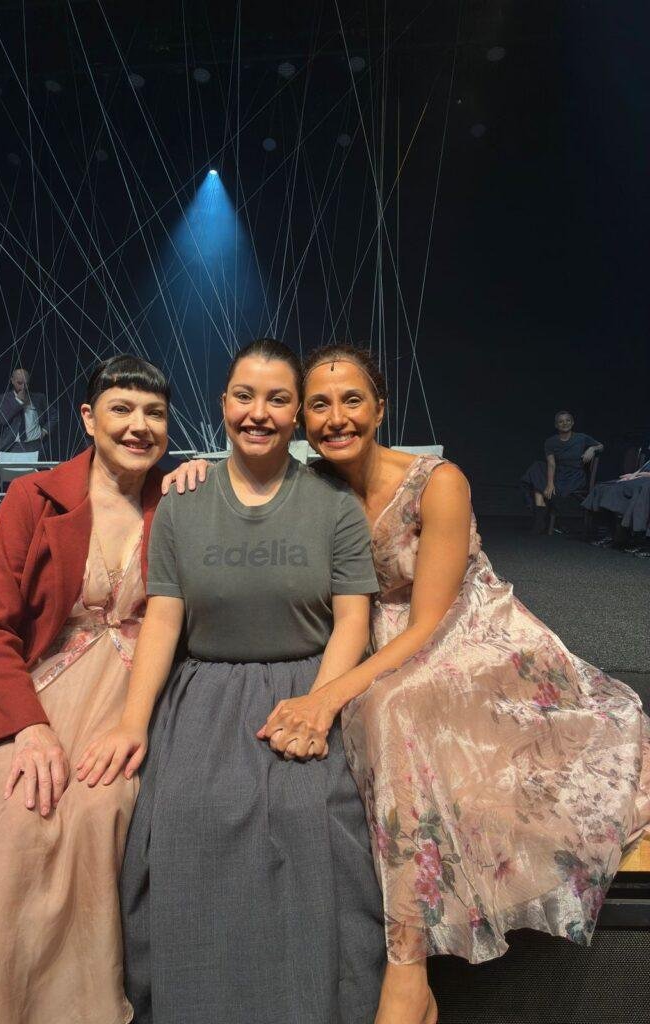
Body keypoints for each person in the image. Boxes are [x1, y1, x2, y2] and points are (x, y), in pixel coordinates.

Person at [171, 345, 650, 1024]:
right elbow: (245, 479)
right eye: (319, 405)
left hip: (464, 635)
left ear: (380, 407)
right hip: (372, 638)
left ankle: (407, 965)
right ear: (303, 418)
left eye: (352, 400)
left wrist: (329, 694)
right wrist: (193, 471)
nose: (336, 418)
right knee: (366, 717)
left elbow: (427, 620)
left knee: (389, 709)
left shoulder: (437, 482)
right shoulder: (313, 484)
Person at [79, 339, 387, 1023]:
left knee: (316, 818)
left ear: (296, 414)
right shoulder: (183, 501)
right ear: (223, 404)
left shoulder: (334, 504)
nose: (258, 413)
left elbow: (351, 621)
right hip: (206, 694)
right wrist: (133, 722)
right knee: (183, 814)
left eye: (278, 399)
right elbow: (164, 619)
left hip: (308, 684)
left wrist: (317, 705)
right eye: (244, 396)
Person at [0, 354, 170, 1024]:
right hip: (44, 687)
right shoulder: (34, 498)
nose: (139, 425)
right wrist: (28, 726)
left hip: (136, 692)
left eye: (154, 413)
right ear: (89, 418)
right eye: (122, 409)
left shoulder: (178, 500)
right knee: (15, 810)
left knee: (99, 809)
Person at [521, 410, 603, 532]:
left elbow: (601, 446)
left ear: (572, 422)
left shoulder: (581, 438)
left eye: (568, 420)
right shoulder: (551, 441)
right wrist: (550, 484)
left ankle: (540, 516)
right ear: (556, 425)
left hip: (574, 476)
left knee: (538, 483)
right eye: (561, 422)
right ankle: (540, 516)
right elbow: (551, 464)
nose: (565, 423)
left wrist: (592, 448)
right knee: (537, 468)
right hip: (558, 473)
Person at [0, 366, 58, 457]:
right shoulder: (4, 398)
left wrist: (45, 430)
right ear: (12, 380)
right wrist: (18, 402)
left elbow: (54, 415)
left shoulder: (39, 398)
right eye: (19, 383)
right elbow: (2, 419)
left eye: (26, 384)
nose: (23, 387)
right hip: (13, 447)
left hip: (35, 445)